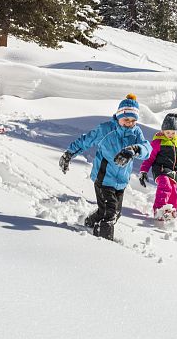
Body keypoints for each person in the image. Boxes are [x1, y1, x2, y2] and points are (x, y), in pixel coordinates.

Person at [59, 94, 151, 241]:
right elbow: (86, 140)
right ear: (119, 116)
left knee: (114, 214)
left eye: (133, 121)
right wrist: (69, 154)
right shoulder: (106, 129)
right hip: (104, 179)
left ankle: (91, 222)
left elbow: (147, 148)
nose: (129, 123)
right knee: (110, 213)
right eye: (126, 119)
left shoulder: (136, 133)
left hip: (121, 182)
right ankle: (102, 247)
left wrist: (135, 149)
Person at [138, 113, 177, 221]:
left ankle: (171, 211)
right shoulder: (158, 142)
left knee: (173, 193)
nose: (170, 134)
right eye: (168, 132)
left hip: (175, 172)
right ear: (162, 131)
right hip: (161, 169)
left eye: (173, 132)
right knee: (165, 185)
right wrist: (143, 171)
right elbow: (149, 158)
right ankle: (159, 209)